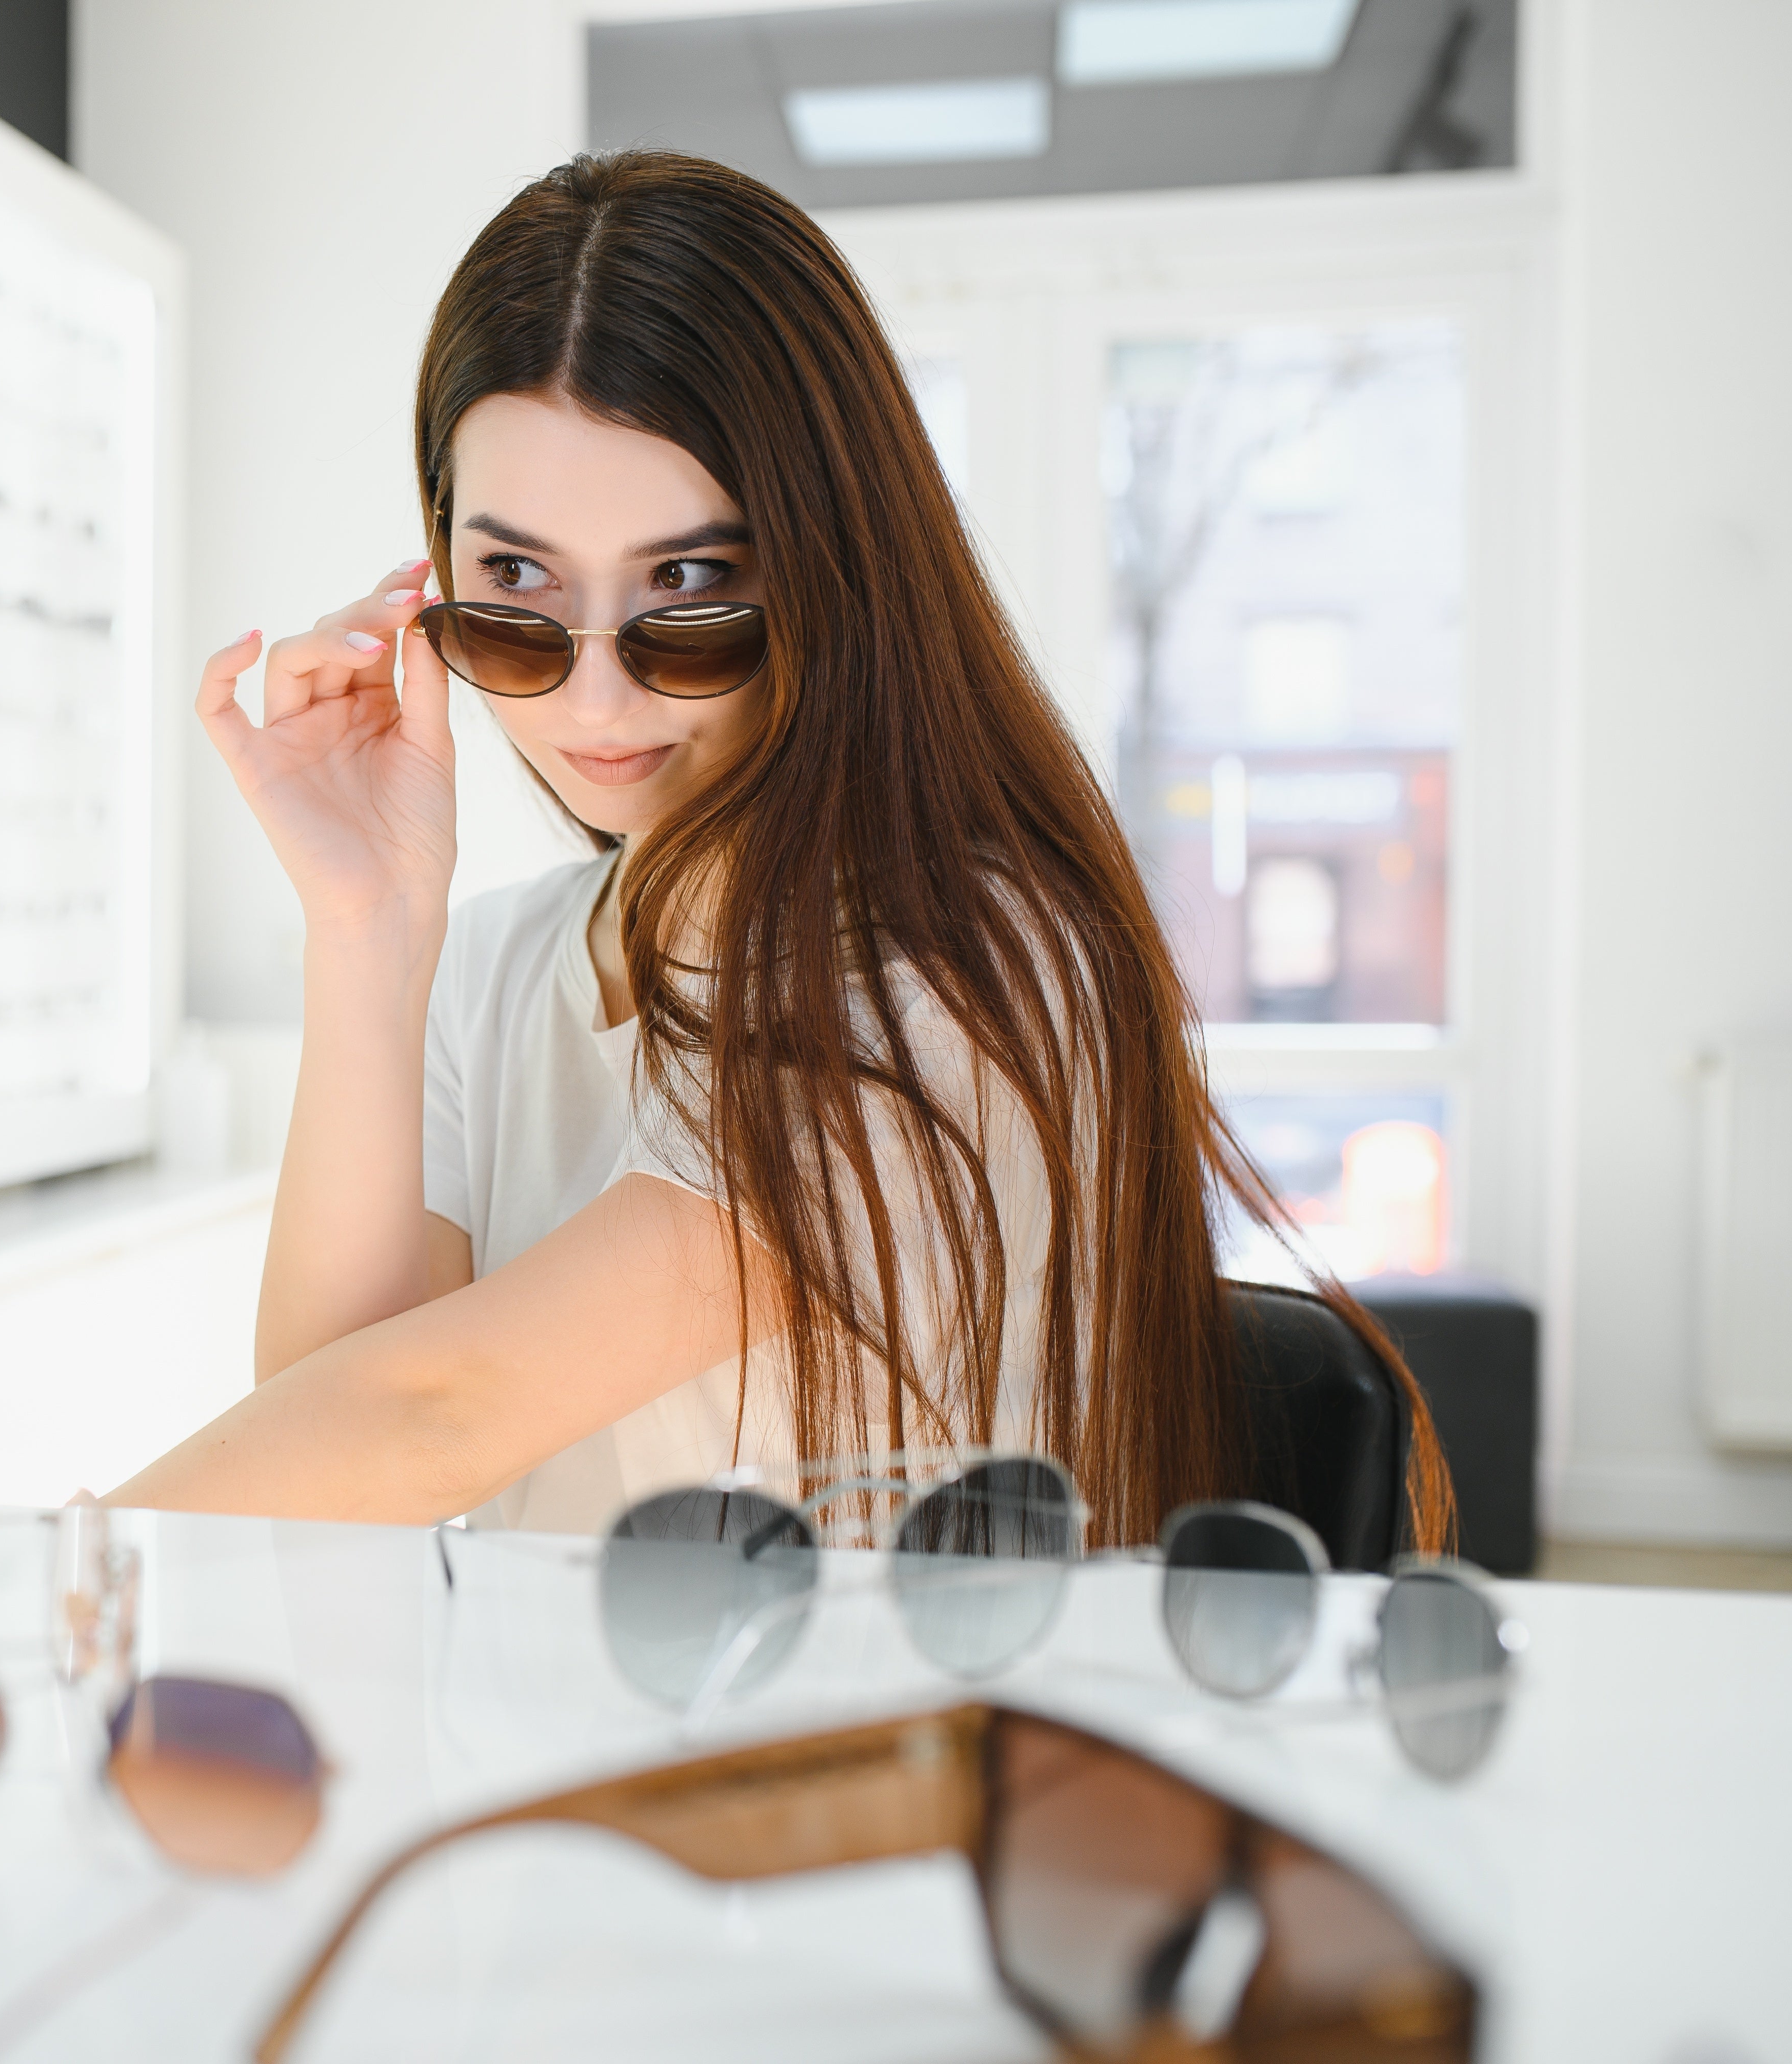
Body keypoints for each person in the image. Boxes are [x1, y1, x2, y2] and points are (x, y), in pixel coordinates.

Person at [109, 151, 1444, 1545]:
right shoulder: (493, 964)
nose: (597, 700)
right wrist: (367, 926)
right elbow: (328, 1448)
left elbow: (433, 1422)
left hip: (898, 1694)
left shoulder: (953, 973)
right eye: (515, 584)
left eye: (690, 583)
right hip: (547, 1688)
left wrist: (38, 1573)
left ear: (832, 571)